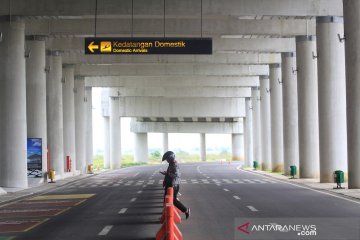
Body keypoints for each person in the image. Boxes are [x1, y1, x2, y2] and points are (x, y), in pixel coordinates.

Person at [160, 151, 190, 219]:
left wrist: (167, 174)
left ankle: (185, 210)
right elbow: (169, 173)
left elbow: (176, 175)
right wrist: (166, 176)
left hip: (174, 185)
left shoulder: (175, 165)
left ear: (171, 158)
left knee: (173, 200)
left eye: (167, 159)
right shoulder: (171, 164)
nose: (166, 161)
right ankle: (166, 216)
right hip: (169, 184)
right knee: (166, 199)